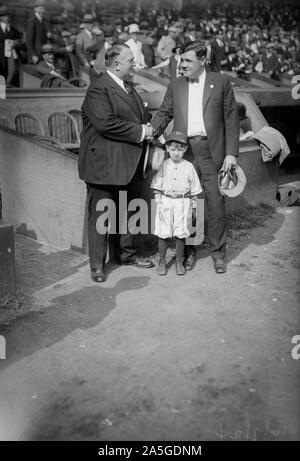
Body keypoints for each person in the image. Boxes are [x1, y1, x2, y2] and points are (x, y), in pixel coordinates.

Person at [151, 40, 239, 274]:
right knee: (188, 206)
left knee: (216, 205)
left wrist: (231, 154)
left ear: (204, 60)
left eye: (188, 60)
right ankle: (188, 252)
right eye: (181, 60)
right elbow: (165, 113)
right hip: (184, 153)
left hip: (213, 152)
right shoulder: (176, 84)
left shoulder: (221, 83)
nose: (182, 65)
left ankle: (218, 253)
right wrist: (151, 131)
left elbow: (231, 120)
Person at [78, 44, 155, 282]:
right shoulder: (98, 89)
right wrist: (142, 132)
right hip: (103, 165)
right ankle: (97, 265)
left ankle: (126, 255)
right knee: (101, 215)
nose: (135, 64)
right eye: (131, 60)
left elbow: (142, 119)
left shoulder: (127, 87)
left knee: (127, 211)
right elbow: (106, 123)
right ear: (116, 64)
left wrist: (152, 129)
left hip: (126, 164)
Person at [151, 131, 202, 276]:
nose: (176, 153)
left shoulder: (189, 167)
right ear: (167, 148)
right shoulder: (164, 165)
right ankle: (162, 260)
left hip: (183, 201)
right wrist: (158, 202)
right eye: (173, 149)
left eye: (180, 149)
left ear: (185, 149)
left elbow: (195, 191)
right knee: (163, 232)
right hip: (166, 201)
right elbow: (157, 185)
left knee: (181, 232)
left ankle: (179, 260)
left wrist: (193, 206)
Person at [0, 6, 22, 87]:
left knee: (11, 74)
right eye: (4, 16)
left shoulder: (14, 30)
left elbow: (22, 44)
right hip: (1, 58)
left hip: (11, 57)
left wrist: (16, 43)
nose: (6, 18)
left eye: (7, 16)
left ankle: (8, 89)